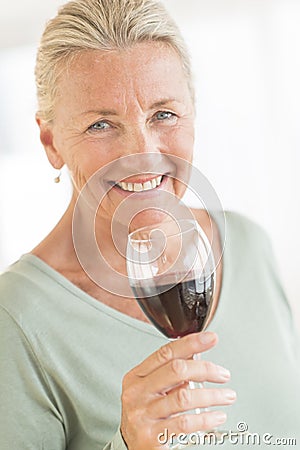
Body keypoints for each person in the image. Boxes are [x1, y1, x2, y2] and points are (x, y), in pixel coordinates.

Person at [0, 0, 299, 449]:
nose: (142, 152)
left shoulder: (248, 245)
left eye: (163, 114)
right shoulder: (16, 323)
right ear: (51, 142)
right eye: (102, 124)